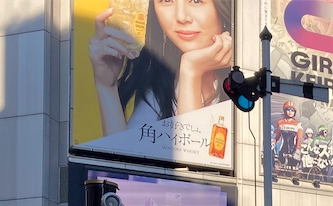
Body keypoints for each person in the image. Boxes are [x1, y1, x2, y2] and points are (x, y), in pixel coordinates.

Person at [88, 0, 233, 137]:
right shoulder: (161, 83)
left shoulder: (244, 79)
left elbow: (191, 152)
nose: (181, 17)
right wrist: (106, 86)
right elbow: (124, 153)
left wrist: (191, 71)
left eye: (196, 0)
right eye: (166, 0)